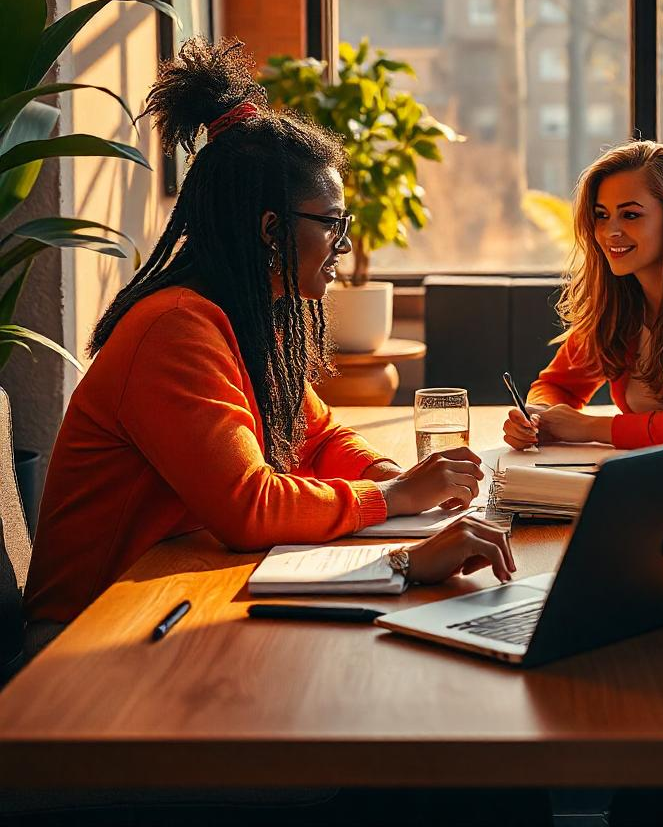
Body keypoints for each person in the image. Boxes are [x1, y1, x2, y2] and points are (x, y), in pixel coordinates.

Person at [25, 38, 512, 645]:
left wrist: (398, 481)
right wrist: (394, 497)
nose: (345, 245)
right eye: (332, 223)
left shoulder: (253, 317)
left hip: (176, 590)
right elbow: (248, 508)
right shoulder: (174, 328)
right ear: (272, 230)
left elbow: (319, 432)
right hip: (90, 629)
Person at [503, 141, 663, 451]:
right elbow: (557, 385)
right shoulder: (617, 301)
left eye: (630, 215)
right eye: (601, 215)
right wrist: (537, 417)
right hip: (642, 476)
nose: (609, 231)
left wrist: (589, 427)